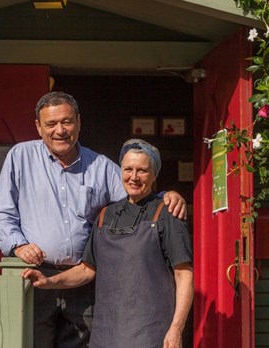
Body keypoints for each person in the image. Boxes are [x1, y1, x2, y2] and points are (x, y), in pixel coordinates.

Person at [0, 92, 187, 348]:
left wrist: (166, 196)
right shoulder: (20, 157)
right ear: (39, 127)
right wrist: (18, 245)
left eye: (67, 121)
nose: (60, 130)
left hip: (84, 281)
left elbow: (136, 190)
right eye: (51, 124)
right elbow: (1, 214)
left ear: (79, 122)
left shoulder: (101, 166)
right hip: (37, 277)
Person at [21, 139, 193, 348]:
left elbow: (184, 275)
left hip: (150, 332)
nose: (134, 177)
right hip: (106, 332)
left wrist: (176, 328)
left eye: (142, 171)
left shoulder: (167, 214)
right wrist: (49, 282)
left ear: (154, 174)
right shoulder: (105, 216)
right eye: (128, 169)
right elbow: (86, 270)